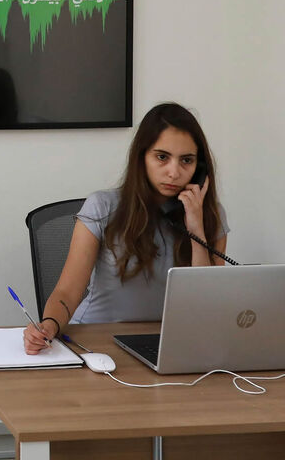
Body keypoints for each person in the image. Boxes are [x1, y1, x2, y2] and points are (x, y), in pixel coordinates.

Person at [23, 102, 229, 354]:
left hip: (166, 346)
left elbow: (207, 307)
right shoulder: (102, 207)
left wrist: (196, 230)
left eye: (186, 160)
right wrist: (49, 325)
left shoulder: (210, 216)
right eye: (162, 157)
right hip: (95, 343)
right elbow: (67, 290)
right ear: (142, 157)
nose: (174, 172)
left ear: (200, 169)